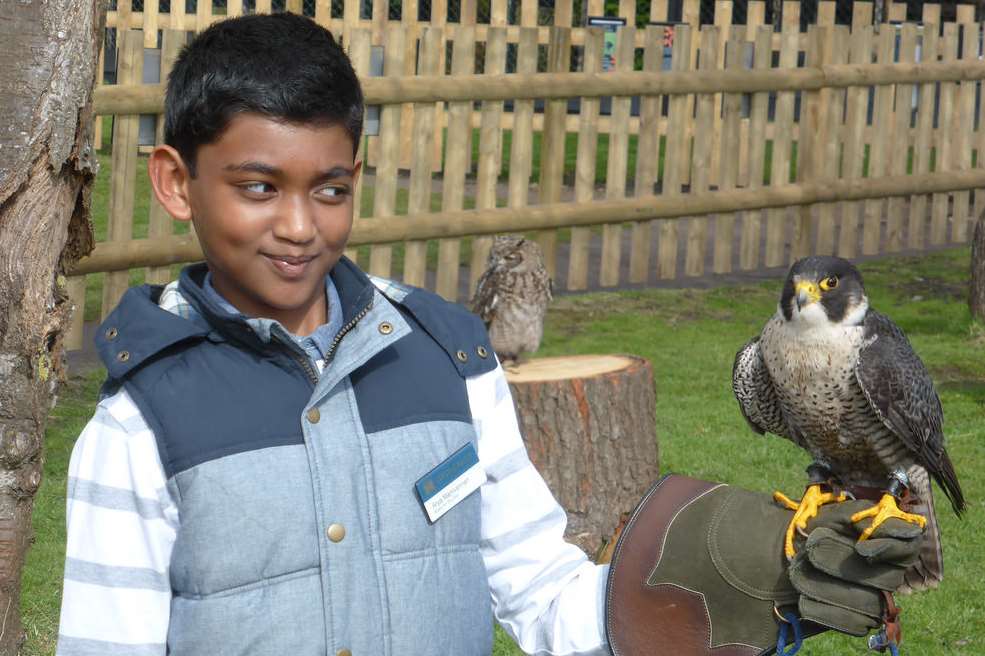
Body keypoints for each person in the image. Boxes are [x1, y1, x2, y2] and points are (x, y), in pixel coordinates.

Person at [56, 13, 924, 656]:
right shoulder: (140, 422)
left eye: (328, 189)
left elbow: (539, 587)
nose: (297, 224)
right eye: (256, 187)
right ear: (175, 182)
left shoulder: (449, 359)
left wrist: (737, 584)